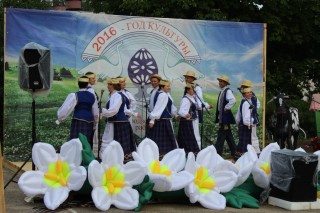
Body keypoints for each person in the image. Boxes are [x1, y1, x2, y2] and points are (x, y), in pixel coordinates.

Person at [56, 76, 99, 148]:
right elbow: (95, 112)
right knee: (86, 143)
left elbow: (66, 108)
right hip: (90, 121)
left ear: (78, 84)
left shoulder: (75, 95)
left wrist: (60, 119)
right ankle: (86, 158)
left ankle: (76, 157)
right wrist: (95, 123)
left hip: (78, 120)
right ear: (87, 84)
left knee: (76, 142)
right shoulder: (92, 96)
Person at [100, 78, 136, 161]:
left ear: (113, 85)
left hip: (118, 122)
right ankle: (109, 159)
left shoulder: (117, 95)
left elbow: (114, 110)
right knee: (111, 141)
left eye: (109, 85)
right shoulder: (114, 95)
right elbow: (122, 110)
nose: (107, 86)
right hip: (115, 122)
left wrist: (103, 112)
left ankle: (118, 160)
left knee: (115, 142)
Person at [147, 79, 178, 156]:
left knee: (164, 139)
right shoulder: (163, 95)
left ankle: (163, 155)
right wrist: (152, 120)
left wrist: (175, 114)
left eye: (169, 86)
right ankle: (164, 155)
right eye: (167, 86)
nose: (169, 88)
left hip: (165, 119)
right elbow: (158, 108)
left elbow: (170, 106)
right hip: (162, 121)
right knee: (164, 139)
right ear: (162, 87)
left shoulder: (165, 94)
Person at [183, 70, 213, 148]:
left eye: (188, 78)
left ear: (192, 79)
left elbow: (200, 101)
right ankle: (190, 149)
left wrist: (206, 106)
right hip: (187, 115)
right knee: (189, 132)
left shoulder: (197, 88)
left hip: (193, 113)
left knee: (195, 132)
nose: (186, 79)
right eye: (186, 77)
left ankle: (197, 148)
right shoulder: (188, 87)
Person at [214, 75, 237, 158]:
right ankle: (234, 151)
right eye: (219, 81)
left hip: (225, 117)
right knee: (228, 135)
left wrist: (226, 107)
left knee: (221, 134)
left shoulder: (227, 91)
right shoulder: (223, 91)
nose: (219, 83)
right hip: (223, 117)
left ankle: (217, 153)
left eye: (221, 81)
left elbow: (233, 100)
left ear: (225, 83)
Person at [235, 87, 259, 158]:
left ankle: (244, 157)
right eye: (248, 93)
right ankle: (243, 158)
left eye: (250, 92)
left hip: (246, 126)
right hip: (246, 126)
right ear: (244, 94)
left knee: (246, 143)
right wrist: (250, 124)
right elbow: (246, 117)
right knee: (245, 144)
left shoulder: (249, 102)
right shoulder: (246, 103)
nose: (250, 94)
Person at [238, 79, 261, 154]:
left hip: (250, 121)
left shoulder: (251, 97)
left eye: (243, 86)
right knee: (249, 138)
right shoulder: (246, 98)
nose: (242, 87)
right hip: (248, 121)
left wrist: (253, 112)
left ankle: (256, 152)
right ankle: (250, 152)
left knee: (253, 137)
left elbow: (257, 105)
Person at [177, 83, 200, 154]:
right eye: (193, 89)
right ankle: (189, 153)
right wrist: (185, 114)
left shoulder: (192, 98)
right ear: (188, 90)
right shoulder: (186, 99)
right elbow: (181, 111)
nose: (194, 91)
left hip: (190, 121)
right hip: (186, 123)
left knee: (192, 137)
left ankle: (192, 153)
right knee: (187, 139)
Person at [85, 72, 100, 156]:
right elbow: (94, 107)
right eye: (93, 78)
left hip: (88, 117)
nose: (95, 79)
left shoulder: (87, 89)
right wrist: (95, 122)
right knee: (90, 138)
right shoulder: (90, 90)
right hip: (91, 118)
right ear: (88, 79)